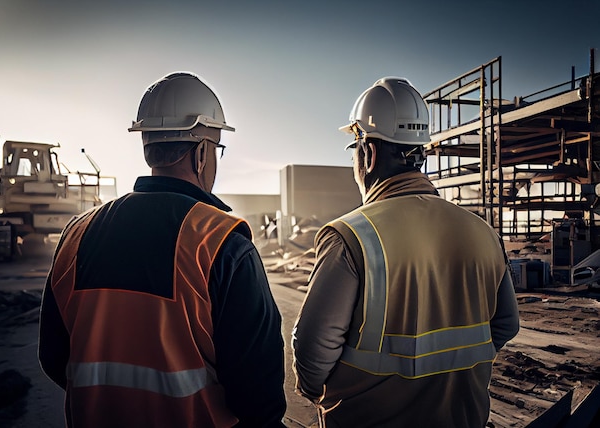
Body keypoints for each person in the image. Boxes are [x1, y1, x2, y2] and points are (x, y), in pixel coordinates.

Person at [39, 72, 287, 428]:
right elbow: (258, 398)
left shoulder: (77, 234)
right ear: (202, 153)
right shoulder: (221, 241)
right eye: (217, 148)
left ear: (147, 147)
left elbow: (53, 358)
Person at [292, 77, 520, 428]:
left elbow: (312, 352)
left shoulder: (349, 237)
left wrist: (320, 393)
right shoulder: (484, 233)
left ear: (368, 154)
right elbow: (506, 324)